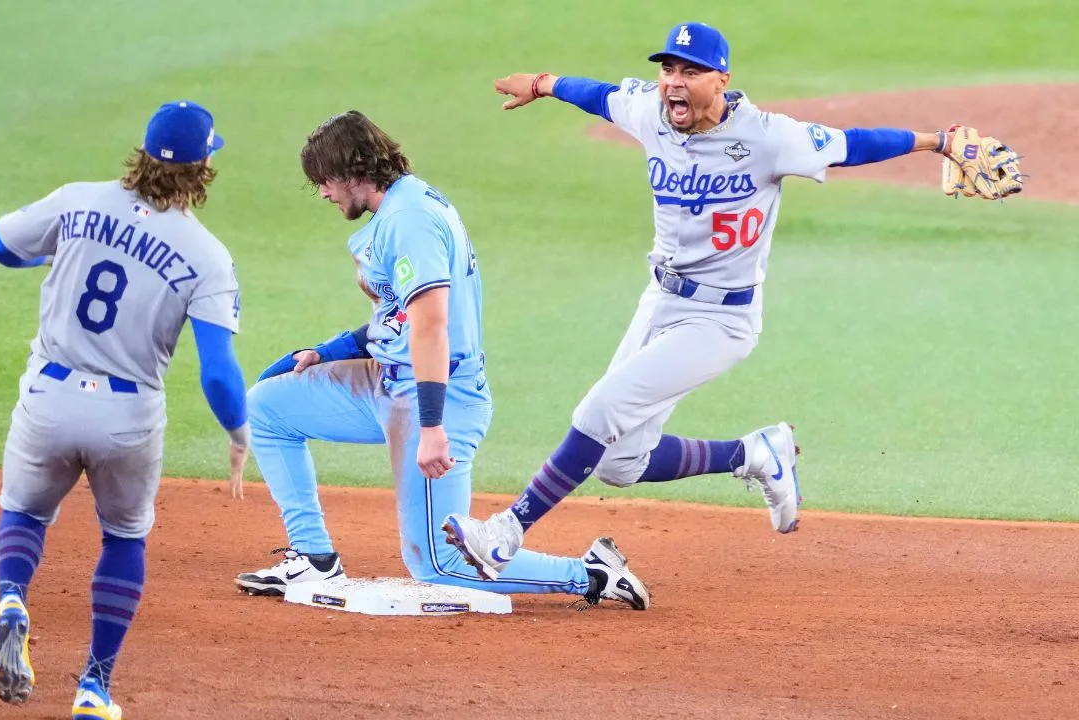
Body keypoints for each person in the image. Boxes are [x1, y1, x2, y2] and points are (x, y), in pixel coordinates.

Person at [441, 21, 1025, 580]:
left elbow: (852, 144)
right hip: (660, 301)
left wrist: (938, 142)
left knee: (600, 411)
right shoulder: (651, 110)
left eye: (690, 71)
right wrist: (542, 85)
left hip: (721, 319)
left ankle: (506, 532)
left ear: (720, 79)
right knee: (620, 463)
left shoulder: (769, 137)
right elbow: (599, 95)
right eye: (669, 68)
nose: (674, 81)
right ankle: (756, 453)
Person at [234, 110, 649, 610]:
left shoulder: (411, 221)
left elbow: (431, 326)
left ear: (351, 170)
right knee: (268, 407)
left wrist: (431, 427)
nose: (322, 192)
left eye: (324, 180)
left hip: (437, 397)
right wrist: (329, 352)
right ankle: (314, 556)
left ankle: (590, 575)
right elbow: (401, 319)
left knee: (438, 563)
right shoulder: (399, 209)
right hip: (387, 382)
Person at [0, 100, 251, 720]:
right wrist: (238, 431)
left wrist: (53, 255)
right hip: (127, 418)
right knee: (124, 536)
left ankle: (13, 597)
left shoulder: (77, 200)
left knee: (24, 512)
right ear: (203, 167)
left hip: (48, 395)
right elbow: (217, 372)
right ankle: (95, 687)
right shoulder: (207, 255)